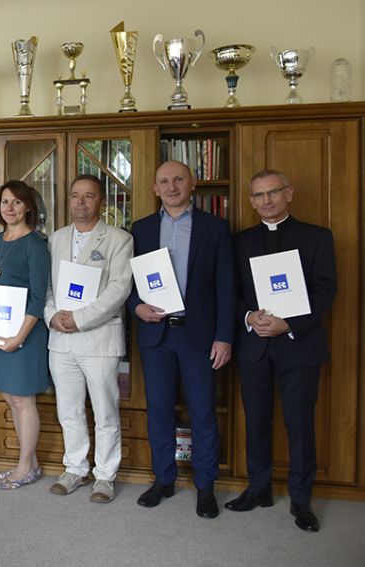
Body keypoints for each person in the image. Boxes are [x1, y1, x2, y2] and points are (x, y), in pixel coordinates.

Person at [225, 170, 337, 532]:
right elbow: (231, 291)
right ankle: (258, 489)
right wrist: (248, 317)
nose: (266, 200)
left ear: (289, 193)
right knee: (256, 421)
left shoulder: (317, 237)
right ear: (251, 201)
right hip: (253, 346)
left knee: (300, 424)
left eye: (272, 192)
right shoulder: (239, 242)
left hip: (299, 346)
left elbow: (325, 290)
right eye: (258, 195)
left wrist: (288, 323)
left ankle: (301, 499)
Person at [127, 160, 235, 519]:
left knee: (203, 412)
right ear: (155, 188)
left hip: (198, 335)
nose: (171, 187)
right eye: (164, 181)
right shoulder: (141, 229)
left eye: (178, 180)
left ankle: (206, 486)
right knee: (159, 410)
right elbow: (127, 283)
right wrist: (137, 306)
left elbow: (226, 286)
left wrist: (224, 337)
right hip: (156, 336)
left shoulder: (215, 228)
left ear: (192, 184)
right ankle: (164, 479)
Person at [44, 175, 133, 503]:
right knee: (68, 410)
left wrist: (79, 319)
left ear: (102, 202)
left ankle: (105, 476)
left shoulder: (119, 239)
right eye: (75, 195)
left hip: (98, 339)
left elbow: (119, 288)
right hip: (61, 340)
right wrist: (52, 315)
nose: (80, 202)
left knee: (105, 411)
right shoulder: (56, 238)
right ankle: (75, 468)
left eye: (89, 196)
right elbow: (48, 285)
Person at [0, 180, 50, 490]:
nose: (10, 208)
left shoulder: (35, 245)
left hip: (26, 334)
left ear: (28, 207)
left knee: (23, 399)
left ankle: (25, 466)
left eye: (17, 202)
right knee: (10, 397)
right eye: (5, 202)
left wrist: (20, 336)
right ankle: (30, 462)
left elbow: (38, 298)